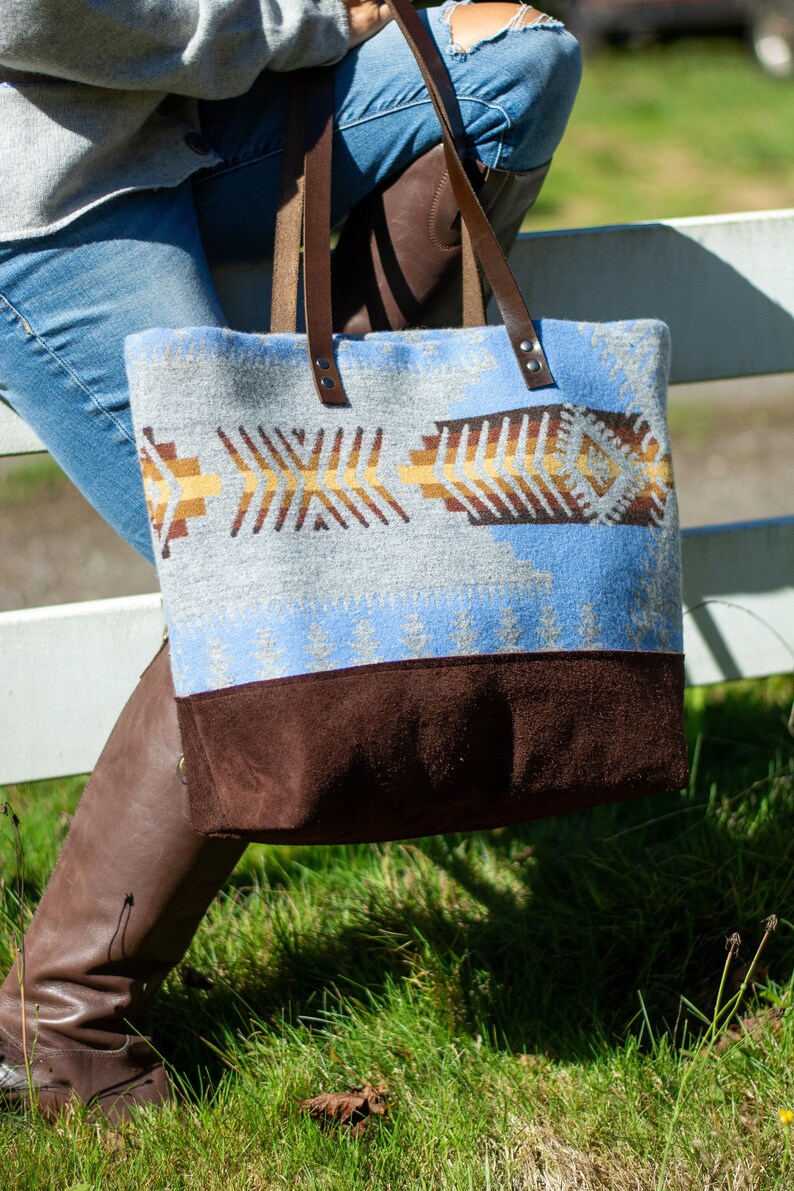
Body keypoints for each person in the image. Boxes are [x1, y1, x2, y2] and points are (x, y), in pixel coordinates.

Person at [0, 0, 581, 1119]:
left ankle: (333, 465)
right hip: (44, 182)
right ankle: (54, 1028)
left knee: (516, 58)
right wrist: (301, 16)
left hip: (190, 116)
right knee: (267, 565)